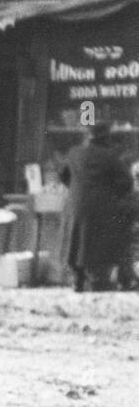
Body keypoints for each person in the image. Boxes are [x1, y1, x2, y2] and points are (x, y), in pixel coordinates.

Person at [60, 122, 135, 292]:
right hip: (103, 209)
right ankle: (118, 278)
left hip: (75, 207)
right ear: (106, 139)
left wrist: (77, 190)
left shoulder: (74, 153)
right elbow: (127, 183)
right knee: (120, 234)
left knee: (76, 242)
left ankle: (78, 279)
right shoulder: (110, 156)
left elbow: (63, 176)